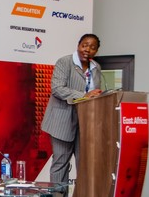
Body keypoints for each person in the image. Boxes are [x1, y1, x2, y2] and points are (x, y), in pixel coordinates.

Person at [41, 34, 103, 185]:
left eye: (93, 47)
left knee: (85, 165)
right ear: (78, 45)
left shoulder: (96, 67)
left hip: (85, 123)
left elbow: (96, 92)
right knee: (60, 163)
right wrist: (84, 95)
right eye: (85, 45)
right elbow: (57, 89)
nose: (87, 49)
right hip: (62, 122)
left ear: (96, 51)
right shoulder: (65, 62)